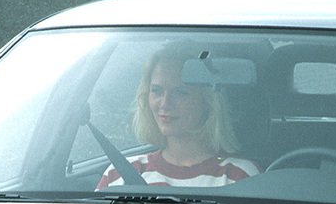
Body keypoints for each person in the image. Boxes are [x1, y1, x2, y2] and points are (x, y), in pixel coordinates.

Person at [96, 46, 260, 189]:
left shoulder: (239, 176)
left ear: (208, 102)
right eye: (156, 91)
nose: (165, 103)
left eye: (180, 93)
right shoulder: (119, 174)